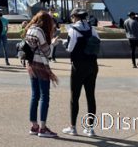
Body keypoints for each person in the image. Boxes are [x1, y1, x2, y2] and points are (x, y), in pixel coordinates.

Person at [62, 9, 98, 137]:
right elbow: (97, 43)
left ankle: (73, 128)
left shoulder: (73, 30)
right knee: (91, 96)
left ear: (75, 17)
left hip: (78, 66)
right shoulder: (91, 28)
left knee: (74, 97)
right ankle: (90, 128)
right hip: (92, 65)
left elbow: (70, 48)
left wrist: (63, 44)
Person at [24, 10, 59, 138]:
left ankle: (34, 126)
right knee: (44, 96)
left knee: (35, 95)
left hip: (31, 65)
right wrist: (53, 44)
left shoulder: (30, 29)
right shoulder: (39, 31)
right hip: (41, 67)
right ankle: (43, 128)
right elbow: (47, 52)